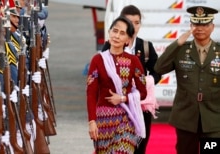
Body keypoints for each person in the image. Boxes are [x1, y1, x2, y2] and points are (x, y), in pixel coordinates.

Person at [154, 6, 219, 154]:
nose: (200, 28)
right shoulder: (181, 50)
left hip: (214, 120)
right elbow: (159, 68)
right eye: (196, 24)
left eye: (205, 24)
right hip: (186, 119)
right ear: (190, 26)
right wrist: (177, 44)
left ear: (212, 27)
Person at [86, 16, 147, 154]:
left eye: (122, 33)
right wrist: (92, 122)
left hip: (126, 119)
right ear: (109, 32)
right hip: (103, 121)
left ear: (128, 39)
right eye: (115, 31)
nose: (117, 36)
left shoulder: (134, 61)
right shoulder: (98, 60)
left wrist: (123, 98)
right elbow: (91, 93)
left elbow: (143, 93)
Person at [119, 5, 161, 154]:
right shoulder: (112, 45)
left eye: (137, 22)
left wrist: (148, 81)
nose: (134, 26)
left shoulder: (145, 46)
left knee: (140, 145)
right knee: (119, 145)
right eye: (130, 22)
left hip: (141, 105)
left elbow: (158, 71)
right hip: (118, 105)